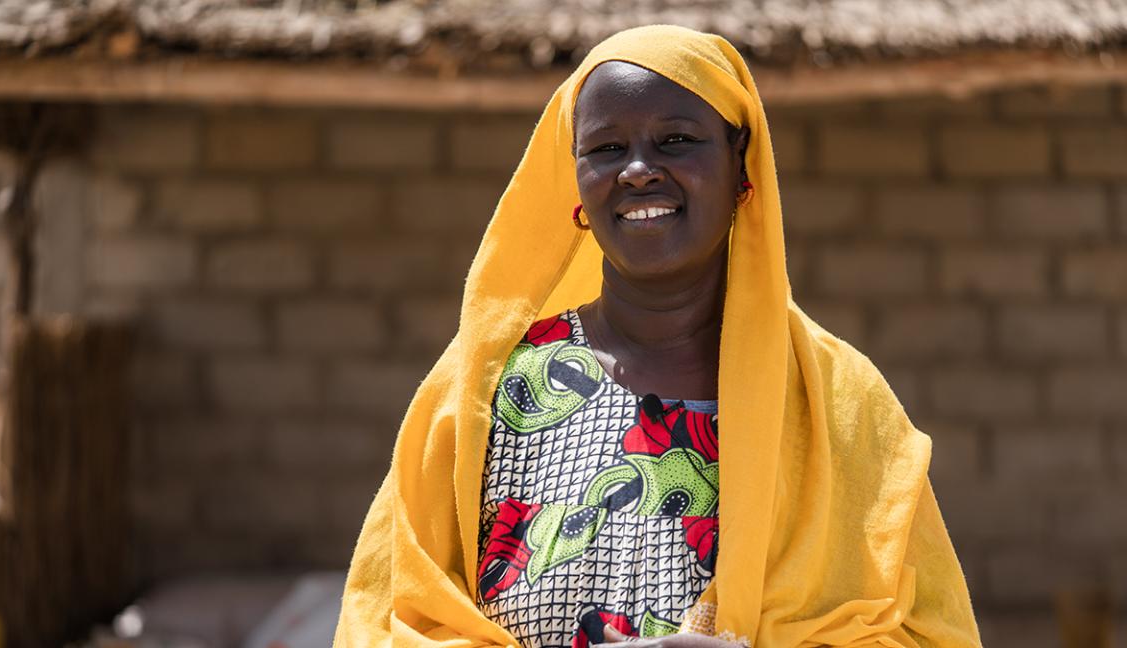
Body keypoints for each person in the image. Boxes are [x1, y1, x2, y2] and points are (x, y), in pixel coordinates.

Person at [334, 25, 982, 648]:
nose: (638, 169)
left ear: (742, 170)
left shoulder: (835, 399)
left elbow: (924, 633)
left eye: (676, 140)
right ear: (577, 188)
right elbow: (391, 620)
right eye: (607, 149)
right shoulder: (490, 385)